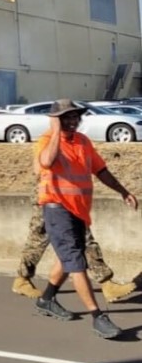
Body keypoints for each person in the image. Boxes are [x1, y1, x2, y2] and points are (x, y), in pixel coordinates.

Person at [32, 99, 138, 339]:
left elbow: (100, 170)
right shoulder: (46, 141)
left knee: (68, 257)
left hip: (79, 210)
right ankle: (98, 317)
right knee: (76, 261)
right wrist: (56, 131)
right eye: (66, 117)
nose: (72, 121)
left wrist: (123, 191)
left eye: (74, 117)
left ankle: (46, 299)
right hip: (56, 207)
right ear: (56, 120)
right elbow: (46, 162)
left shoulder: (83, 141)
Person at [11, 189, 137, 302]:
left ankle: (106, 283)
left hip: (70, 196)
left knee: (83, 237)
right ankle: (23, 279)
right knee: (39, 238)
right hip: (49, 196)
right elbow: (43, 166)